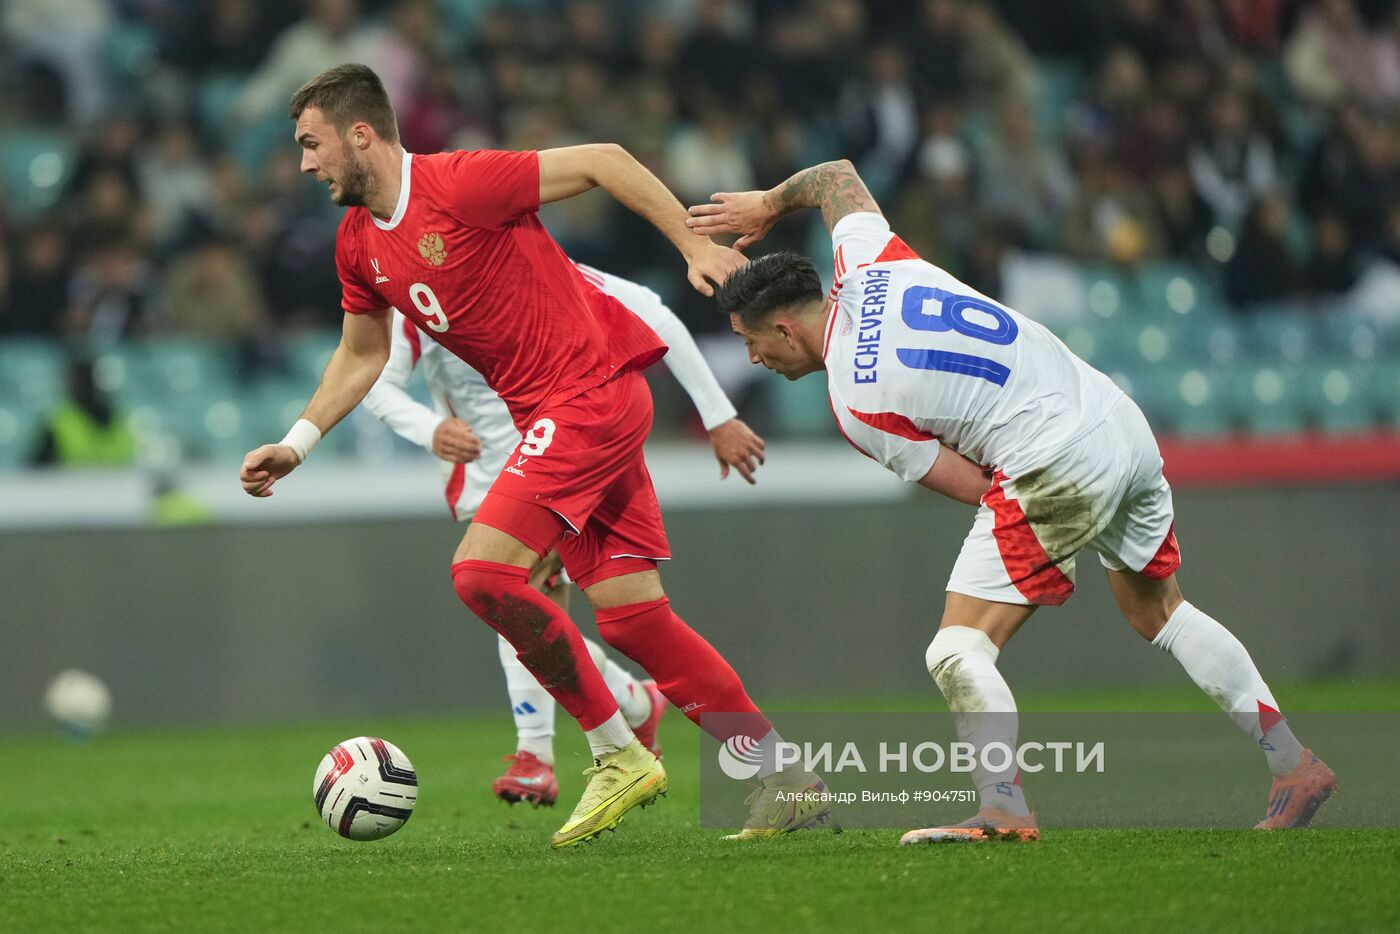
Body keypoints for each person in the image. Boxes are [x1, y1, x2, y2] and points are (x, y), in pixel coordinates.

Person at [237, 63, 826, 847]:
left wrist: (690, 245)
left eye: (312, 145)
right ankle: (786, 779)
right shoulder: (356, 245)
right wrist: (297, 442)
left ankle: (616, 751)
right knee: (634, 622)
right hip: (576, 408)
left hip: (585, 395)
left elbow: (605, 159)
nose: (304, 163)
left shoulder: (462, 183)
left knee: (481, 573)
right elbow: (359, 354)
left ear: (361, 134)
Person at [689, 158, 1338, 843]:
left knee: (957, 649)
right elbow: (836, 178)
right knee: (1159, 610)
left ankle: (1002, 808)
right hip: (1117, 419)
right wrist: (767, 203)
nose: (754, 357)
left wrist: (1051, 519)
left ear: (786, 329)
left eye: (751, 340)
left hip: (1051, 462)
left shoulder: (855, 402)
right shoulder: (873, 263)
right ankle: (1294, 765)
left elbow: (976, 488)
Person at [362, 260, 763, 807]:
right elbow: (373, 382)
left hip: (572, 444)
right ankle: (664, 718)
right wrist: (430, 429)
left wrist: (716, 415)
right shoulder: (415, 297)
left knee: (502, 583)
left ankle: (551, 753)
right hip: (494, 469)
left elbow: (654, 311)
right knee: (630, 623)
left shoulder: (539, 262)